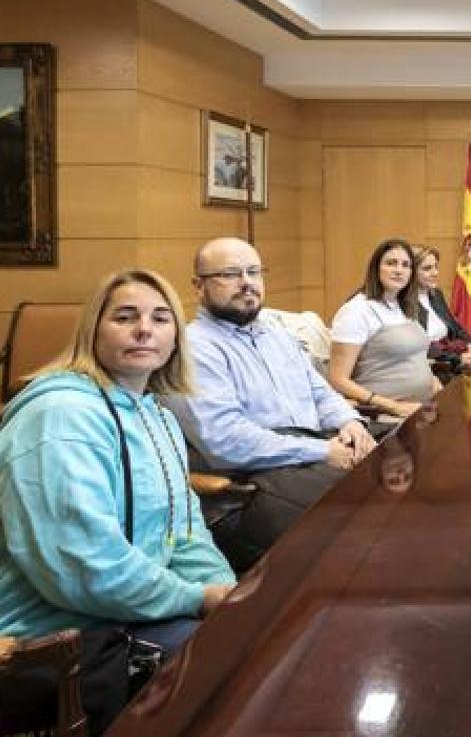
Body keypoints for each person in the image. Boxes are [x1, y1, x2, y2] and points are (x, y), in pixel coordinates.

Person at [0, 269, 234, 734]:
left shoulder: (157, 414)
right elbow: (83, 567)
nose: (144, 329)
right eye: (125, 317)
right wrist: (195, 598)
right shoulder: (60, 415)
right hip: (50, 637)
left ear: (176, 337)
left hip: (127, 608)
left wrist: (221, 591)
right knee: (224, 677)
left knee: (248, 639)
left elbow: (185, 529)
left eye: (161, 318)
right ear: (94, 331)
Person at [166, 237, 376, 572]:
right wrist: (323, 452)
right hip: (247, 484)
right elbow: (228, 442)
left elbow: (319, 392)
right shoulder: (194, 348)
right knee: (359, 528)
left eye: (253, 272)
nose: (247, 282)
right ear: (198, 286)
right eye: (230, 274)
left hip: (309, 454)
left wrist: (350, 422)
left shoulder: (276, 335)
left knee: (395, 477)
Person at [328, 238, 440, 419]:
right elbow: (337, 380)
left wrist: (435, 384)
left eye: (406, 265)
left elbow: (413, 357)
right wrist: (394, 407)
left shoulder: (405, 306)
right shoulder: (356, 311)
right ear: (376, 268)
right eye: (391, 263)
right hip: (384, 415)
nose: (399, 270)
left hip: (424, 409)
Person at [410, 244, 471, 374]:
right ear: (410, 272)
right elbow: (419, 348)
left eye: (436, 267)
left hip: (450, 367)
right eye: (427, 269)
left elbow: (456, 329)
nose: (435, 273)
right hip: (426, 371)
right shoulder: (402, 303)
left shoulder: (436, 294)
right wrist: (457, 356)